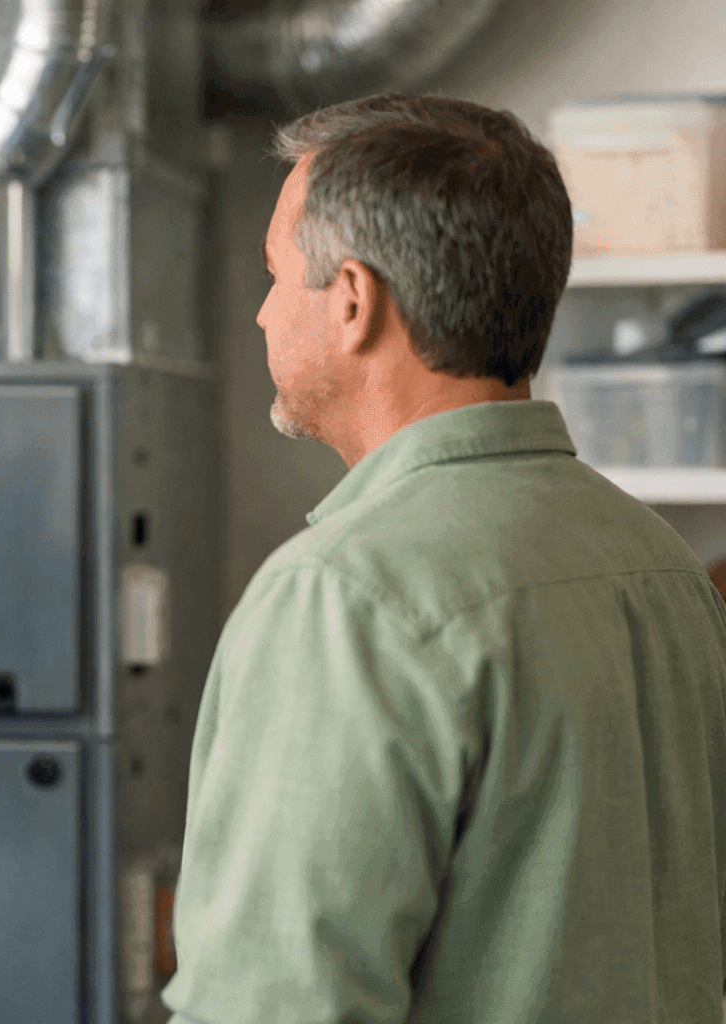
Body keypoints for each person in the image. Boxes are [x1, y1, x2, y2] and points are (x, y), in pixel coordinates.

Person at [163, 94, 726, 1023]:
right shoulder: (664, 570)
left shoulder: (345, 598)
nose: (263, 314)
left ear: (353, 300)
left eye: (274, 276)